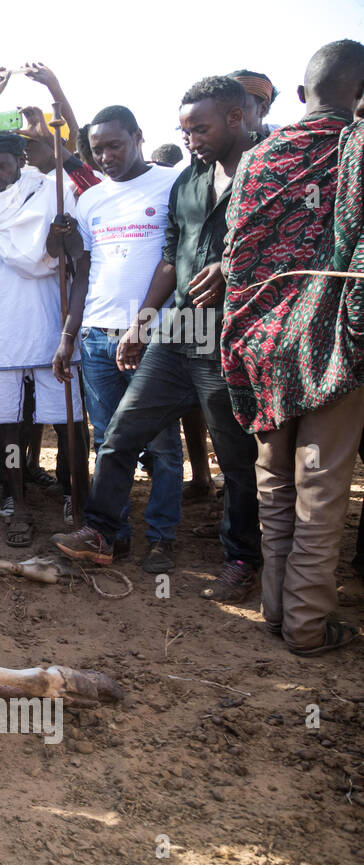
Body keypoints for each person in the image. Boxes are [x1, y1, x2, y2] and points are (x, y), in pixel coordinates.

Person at [54, 76, 262, 603]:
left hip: (232, 331)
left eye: (201, 127)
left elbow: (285, 248)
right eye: (185, 129)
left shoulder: (268, 172)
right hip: (180, 325)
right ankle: (102, 531)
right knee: (123, 431)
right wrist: (143, 324)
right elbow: (171, 257)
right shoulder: (189, 183)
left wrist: (231, 265)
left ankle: (242, 558)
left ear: (236, 119)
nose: (191, 138)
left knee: (234, 457)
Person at [222, 40, 364, 655]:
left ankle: (277, 612)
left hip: (258, 342)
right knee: (321, 485)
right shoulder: (354, 147)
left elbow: (236, 255)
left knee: (276, 483)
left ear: (303, 94)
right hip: (329, 342)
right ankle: (307, 626)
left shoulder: (258, 157)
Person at [52, 105, 184, 572]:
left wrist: (145, 324)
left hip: (155, 336)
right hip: (96, 336)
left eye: (115, 145)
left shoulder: (173, 184)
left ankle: (162, 538)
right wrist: (70, 335)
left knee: (162, 445)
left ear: (139, 137)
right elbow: (84, 274)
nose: (106, 156)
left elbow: (176, 259)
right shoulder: (90, 201)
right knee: (107, 439)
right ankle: (112, 536)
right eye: (97, 148)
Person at [0, 131, 82, 549]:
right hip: (2, 334)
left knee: (67, 423)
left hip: (51, 327)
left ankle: (73, 496)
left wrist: (59, 238)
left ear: (21, 160)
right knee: (7, 427)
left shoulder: (51, 195)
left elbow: (73, 259)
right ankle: (17, 500)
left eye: (3, 166)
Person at [230, 69, 279, 139]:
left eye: (241, 107)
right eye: (225, 108)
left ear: (263, 109)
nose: (230, 116)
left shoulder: (286, 146)